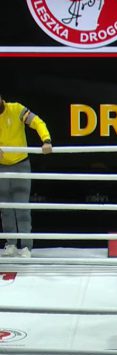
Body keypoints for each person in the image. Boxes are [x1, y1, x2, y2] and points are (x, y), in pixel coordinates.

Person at [0, 94, 52, 258]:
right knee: (5, 209)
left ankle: (26, 246)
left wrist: (46, 140)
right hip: (1, 166)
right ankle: (10, 243)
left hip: (20, 164)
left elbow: (37, 122)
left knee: (22, 207)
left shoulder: (16, 109)